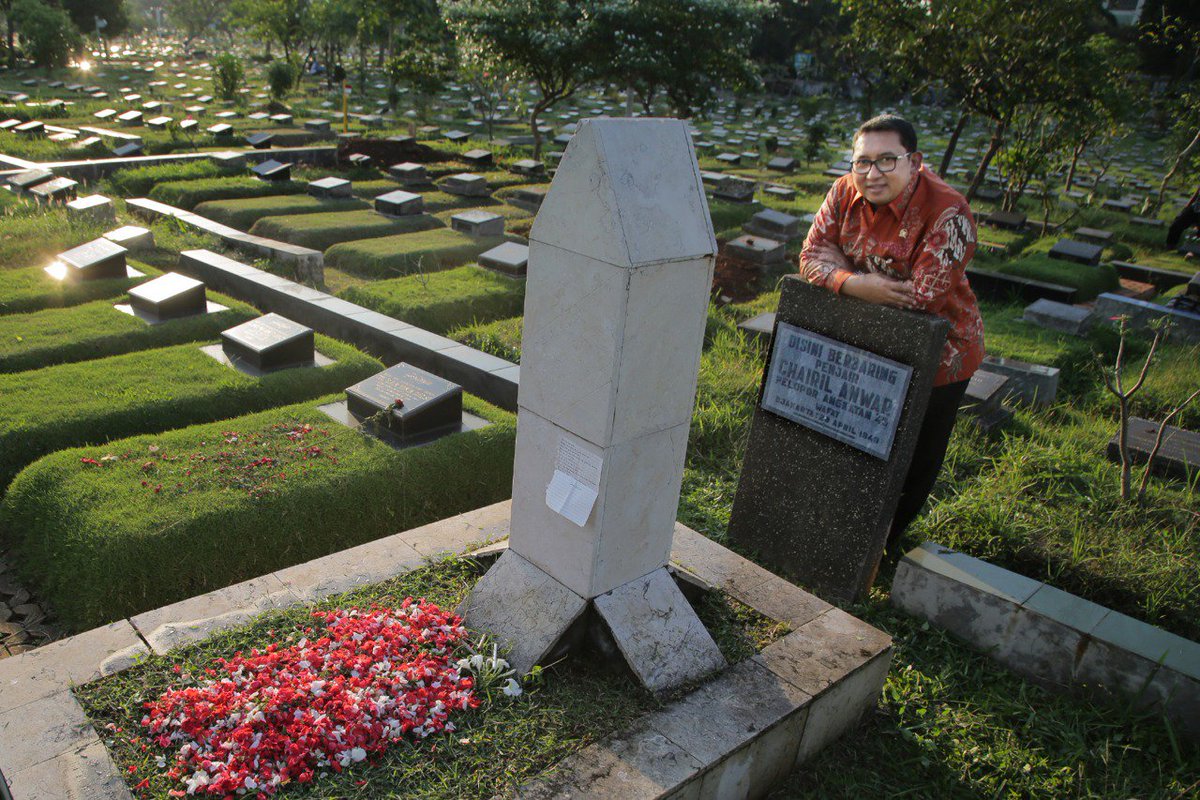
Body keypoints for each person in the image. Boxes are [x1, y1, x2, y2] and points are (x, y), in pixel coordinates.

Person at [798, 113, 984, 552]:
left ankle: (885, 545)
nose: (872, 173)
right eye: (862, 162)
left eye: (886, 161)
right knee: (858, 439)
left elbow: (920, 298)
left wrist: (839, 270)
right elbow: (809, 256)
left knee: (913, 456)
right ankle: (841, 536)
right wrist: (858, 284)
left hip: (941, 356)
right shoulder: (845, 190)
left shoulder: (947, 212)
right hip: (868, 342)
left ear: (914, 161)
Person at [1166, 183, 1200, 252]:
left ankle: (1194, 251)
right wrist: (1186, 207)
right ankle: (1170, 246)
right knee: (1176, 225)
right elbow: (1196, 194)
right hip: (1195, 207)